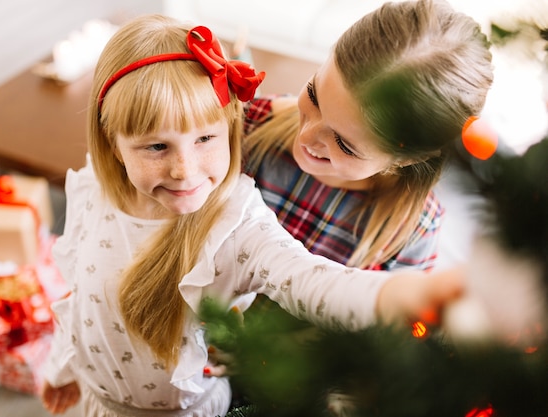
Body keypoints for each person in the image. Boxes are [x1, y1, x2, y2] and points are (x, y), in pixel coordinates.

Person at [39, 13, 464, 417]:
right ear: (113, 143)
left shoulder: (237, 224)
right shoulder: (94, 188)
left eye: (206, 139)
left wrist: (398, 296)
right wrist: (63, 367)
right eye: (156, 147)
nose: (185, 170)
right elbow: (80, 301)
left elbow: (308, 279)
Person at [243, 0, 494, 271]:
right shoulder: (252, 124)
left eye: (345, 144)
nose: (306, 136)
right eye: (314, 95)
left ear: (406, 159)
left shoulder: (411, 234)